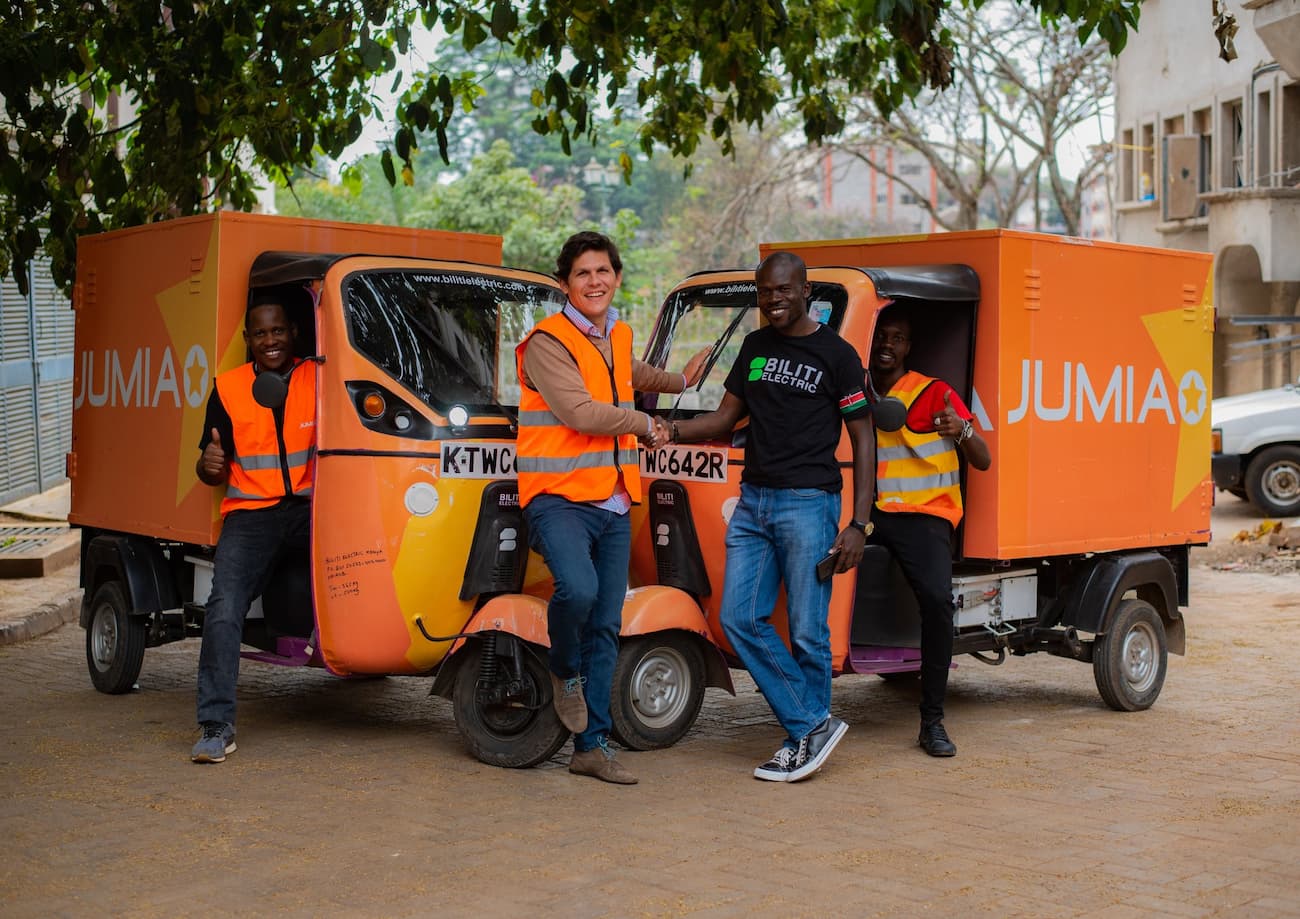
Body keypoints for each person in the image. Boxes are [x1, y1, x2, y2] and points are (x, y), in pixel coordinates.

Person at [666, 251, 876, 783]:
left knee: (808, 631)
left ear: (806, 291)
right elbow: (723, 417)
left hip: (809, 503)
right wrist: (662, 430)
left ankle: (802, 737)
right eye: (764, 292)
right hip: (755, 502)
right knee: (738, 619)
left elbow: (864, 436)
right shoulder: (755, 346)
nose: (773, 300)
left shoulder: (838, 354)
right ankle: (811, 724)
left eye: (783, 290)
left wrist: (859, 522)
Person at [516, 231, 700, 785]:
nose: (594, 281)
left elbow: (631, 375)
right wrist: (647, 423)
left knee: (606, 624)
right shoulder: (546, 342)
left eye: (603, 271)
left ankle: (590, 747)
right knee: (579, 591)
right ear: (565, 283)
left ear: (617, 277)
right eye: (582, 273)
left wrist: (682, 380)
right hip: (558, 501)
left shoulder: (616, 333)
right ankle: (562, 671)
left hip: (615, 500)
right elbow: (579, 411)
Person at [190, 287, 317, 764]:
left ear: (294, 332)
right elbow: (207, 467)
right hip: (251, 515)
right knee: (224, 608)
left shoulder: (318, 377)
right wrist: (210, 463)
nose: (270, 340)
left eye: (278, 330)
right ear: (248, 338)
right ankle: (215, 725)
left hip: (310, 511)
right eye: (261, 333)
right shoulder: (227, 388)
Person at [865, 306, 991, 757]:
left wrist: (961, 431)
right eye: (881, 335)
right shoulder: (855, 388)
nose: (887, 344)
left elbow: (983, 458)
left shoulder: (934, 392)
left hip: (925, 516)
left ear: (908, 347)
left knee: (938, 604)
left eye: (897, 338)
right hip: (871, 514)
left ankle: (932, 722)